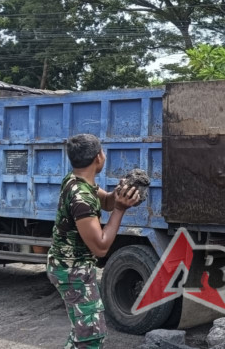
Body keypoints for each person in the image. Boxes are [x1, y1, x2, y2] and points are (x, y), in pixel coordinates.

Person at [46, 134, 140, 349]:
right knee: (91, 336)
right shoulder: (81, 198)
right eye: (103, 152)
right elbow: (101, 247)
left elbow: (106, 201)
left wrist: (119, 193)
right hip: (72, 271)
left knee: (84, 333)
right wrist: (121, 209)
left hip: (72, 268)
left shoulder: (77, 181)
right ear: (99, 157)